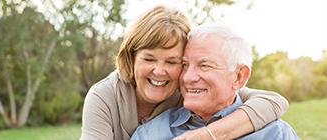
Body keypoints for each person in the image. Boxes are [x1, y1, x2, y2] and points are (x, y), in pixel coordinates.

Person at [80, 5, 289, 140]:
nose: (160, 71)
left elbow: (273, 102)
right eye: (148, 59)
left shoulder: (189, 88)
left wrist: (207, 135)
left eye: (173, 62)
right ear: (131, 57)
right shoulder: (105, 97)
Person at [131, 23, 300, 140]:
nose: (188, 77)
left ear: (239, 76)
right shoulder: (150, 134)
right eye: (184, 65)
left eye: (204, 65)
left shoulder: (275, 134)